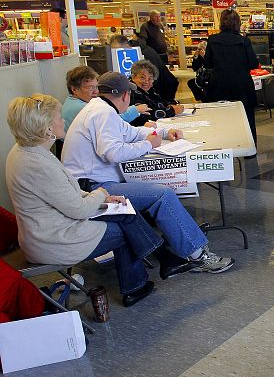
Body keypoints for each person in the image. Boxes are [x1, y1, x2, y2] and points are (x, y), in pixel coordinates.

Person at [5, 95, 195, 307]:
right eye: (59, 117)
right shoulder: (39, 164)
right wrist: (102, 194)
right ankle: (141, 280)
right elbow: (78, 209)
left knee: (123, 212)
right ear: (47, 129)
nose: (63, 121)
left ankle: (159, 265)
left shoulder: (24, 152)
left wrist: (100, 196)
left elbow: (65, 193)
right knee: (125, 229)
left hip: (44, 233)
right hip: (54, 241)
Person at [61, 72, 235, 275]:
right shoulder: (102, 113)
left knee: (159, 194)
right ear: (125, 95)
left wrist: (161, 133)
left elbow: (130, 132)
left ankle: (183, 242)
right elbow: (112, 153)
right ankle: (197, 256)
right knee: (163, 194)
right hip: (93, 188)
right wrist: (147, 144)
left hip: (91, 184)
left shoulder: (100, 108)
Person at [60, 66, 149, 157]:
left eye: (96, 87)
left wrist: (155, 132)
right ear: (74, 89)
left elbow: (122, 128)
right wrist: (148, 144)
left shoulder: (92, 104)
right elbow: (113, 153)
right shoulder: (88, 109)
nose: (95, 92)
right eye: (90, 87)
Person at [204, 9, 260, 147]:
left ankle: (223, 146)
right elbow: (253, 63)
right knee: (247, 118)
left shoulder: (212, 40)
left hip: (219, 85)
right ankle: (249, 147)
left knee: (221, 117)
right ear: (238, 23)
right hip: (242, 85)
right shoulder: (244, 41)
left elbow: (207, 63)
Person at [110, 35, 179, 103]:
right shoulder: (139, 50)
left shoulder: (142, 53)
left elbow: (152, 77)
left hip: (163, 88)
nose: (115, 53)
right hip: (158, 87)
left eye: (117, 50)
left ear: (127, 46)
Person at [128, 60, 185, 127]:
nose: (146, 82)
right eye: (142, 77)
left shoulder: (150, 90)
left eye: (150, 79)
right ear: (133, 77)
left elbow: (161, 102)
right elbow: (145, 114)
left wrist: (172, 105)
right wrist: (171, 111)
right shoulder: (131, 92)